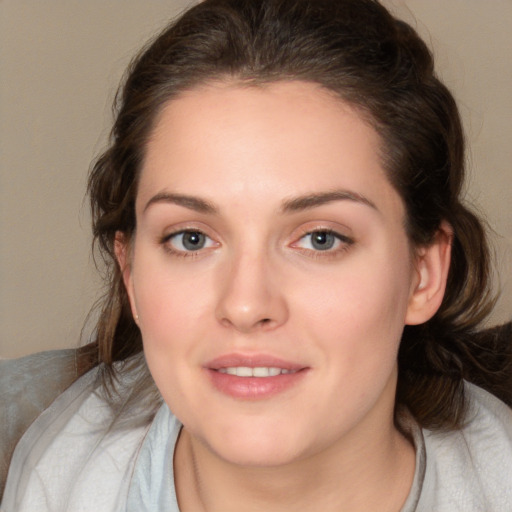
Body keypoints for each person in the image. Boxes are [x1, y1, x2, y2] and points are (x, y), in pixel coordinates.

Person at [1, 0, 511, 510]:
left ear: (423, 274)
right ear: (130, 271)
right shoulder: (25, 448)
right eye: (192, 239)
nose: (246, 305)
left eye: (321, 238)